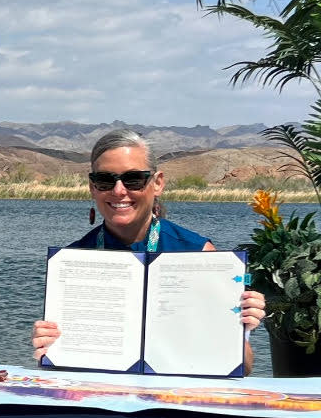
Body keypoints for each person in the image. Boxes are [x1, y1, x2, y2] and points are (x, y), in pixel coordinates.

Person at [31, 129, 266, 374]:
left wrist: (243, 327)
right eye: (105, 180)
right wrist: (48, 348)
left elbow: (243, 366)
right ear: (92, 188)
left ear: (157, 183)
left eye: (133, 179)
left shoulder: (198, 254)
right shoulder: (71, 262)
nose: (119, 191)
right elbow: (59, 370)